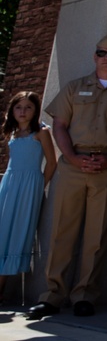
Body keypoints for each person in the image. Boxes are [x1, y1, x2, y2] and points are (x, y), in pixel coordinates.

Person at [26, 32, 107, 319]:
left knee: (97, 235)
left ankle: (84, 294)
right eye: (101, 53)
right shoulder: (74, 88)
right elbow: (59, 125)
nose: (106, 59)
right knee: (61, 231)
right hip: (73, 164)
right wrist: (71, 157)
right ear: (94, 56)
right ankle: (52, 295)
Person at [0, 91, 56, 297]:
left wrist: (40, 185)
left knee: (15, 233)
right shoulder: (13, 133)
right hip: (9, 184)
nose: (23, 112)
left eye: (28, 107)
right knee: (2, 230)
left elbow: (52, 162)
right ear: (12, 110)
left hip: (29, 186)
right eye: (18, 107)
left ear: (35, 111)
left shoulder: (41, 132)